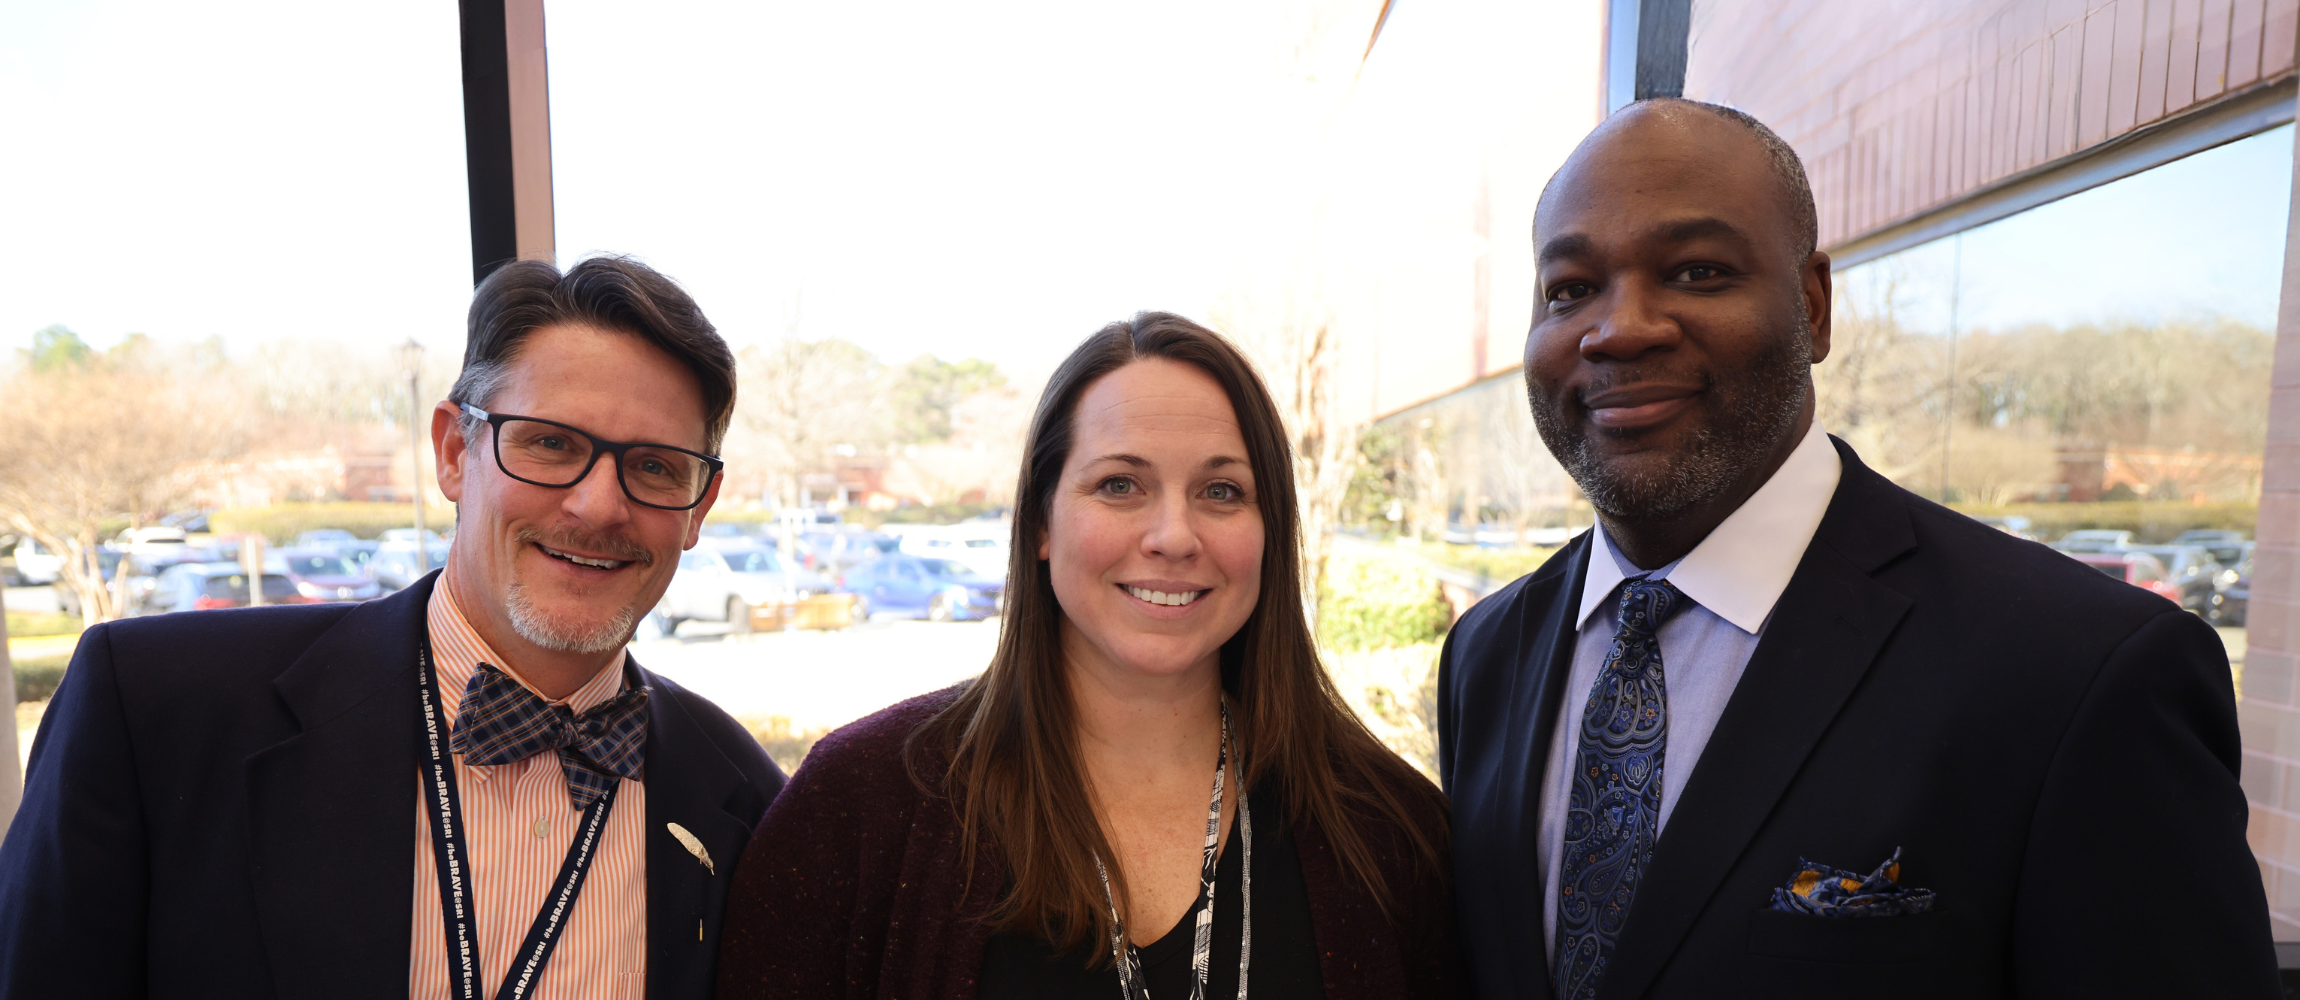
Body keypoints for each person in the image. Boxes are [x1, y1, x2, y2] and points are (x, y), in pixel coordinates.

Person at [1438, 98, 2280, 1000]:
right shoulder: (1486, 654)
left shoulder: (2079, 674)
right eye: (1570, 289)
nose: (1619, 328)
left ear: (1813, 306)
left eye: (1696, 272)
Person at [0, 256, 787, 999]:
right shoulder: (156, 710)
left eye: (654, 467)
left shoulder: (743, 799)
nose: (599, 505)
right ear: (453, 452)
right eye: (552, 445)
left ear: (699, 509)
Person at [715, 313, 1461, 1000]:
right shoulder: (860, 804)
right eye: (1120, 485)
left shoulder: (1389, 829)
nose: (1174, 534)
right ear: (1042, 520)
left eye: (1222, 491)